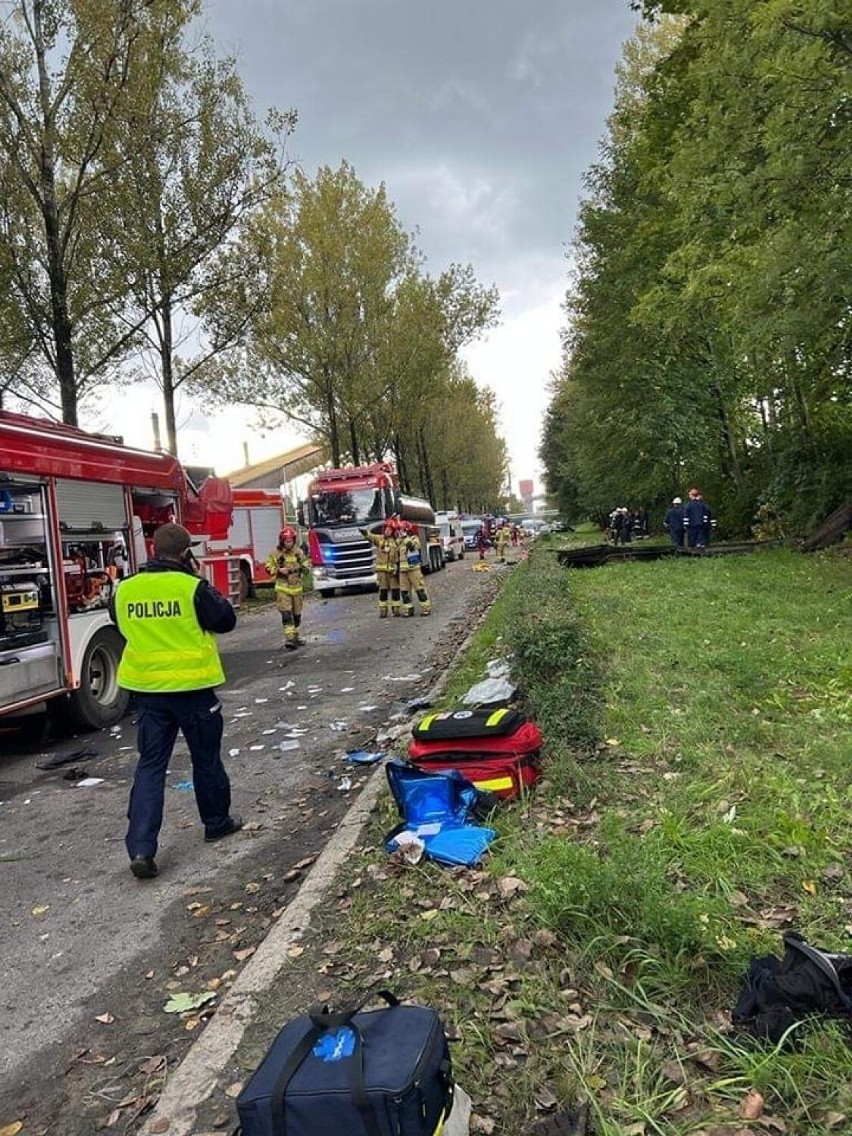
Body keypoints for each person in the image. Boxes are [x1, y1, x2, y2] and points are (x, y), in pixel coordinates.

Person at [110, 523, 241, 880]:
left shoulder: (125, 589)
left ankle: (141, 847)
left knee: (151, 766)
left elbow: (118, 623)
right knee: (205, 759)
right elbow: (226, 620)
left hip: (149, 694)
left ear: (153, 551)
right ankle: (216, 823)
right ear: (186, 554)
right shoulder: (192, 587)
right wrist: (200, 580)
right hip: (194, 691)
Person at [265, 526, 309, 649]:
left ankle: (295, 637)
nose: (288, 543)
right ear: (281, 541)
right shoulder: (275, 553)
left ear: (294, 541)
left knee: (297, 616)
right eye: (286, 541)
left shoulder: (299, 553)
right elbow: (268, 567)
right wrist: (279, 570)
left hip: (297, 590)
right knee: (286, 615)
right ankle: (289, 639)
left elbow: (306, 567)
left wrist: (300, 569)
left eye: (290, 541)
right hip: (283, 590)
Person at [360, 517, 402, 617]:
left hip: (393, 573)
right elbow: (370, 537)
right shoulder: (379, 539)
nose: (388, 531)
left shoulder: (396, 542)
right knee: (383, 592)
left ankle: (396, 610)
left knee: (395, 591)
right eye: (387, 529)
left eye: (390, 530)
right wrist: (365, 533)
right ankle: (383, 611)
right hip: (382, 573)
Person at [397, 521, 432, 616]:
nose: (400, 532)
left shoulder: (414, 538)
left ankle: (426, 608)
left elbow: (413, 546)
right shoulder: (399, 542)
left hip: (414, 569)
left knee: (420, 589)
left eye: (402, 530)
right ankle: (408, 610)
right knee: (404, 592)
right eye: (400, 530)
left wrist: (405, 537)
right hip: (403, 571)